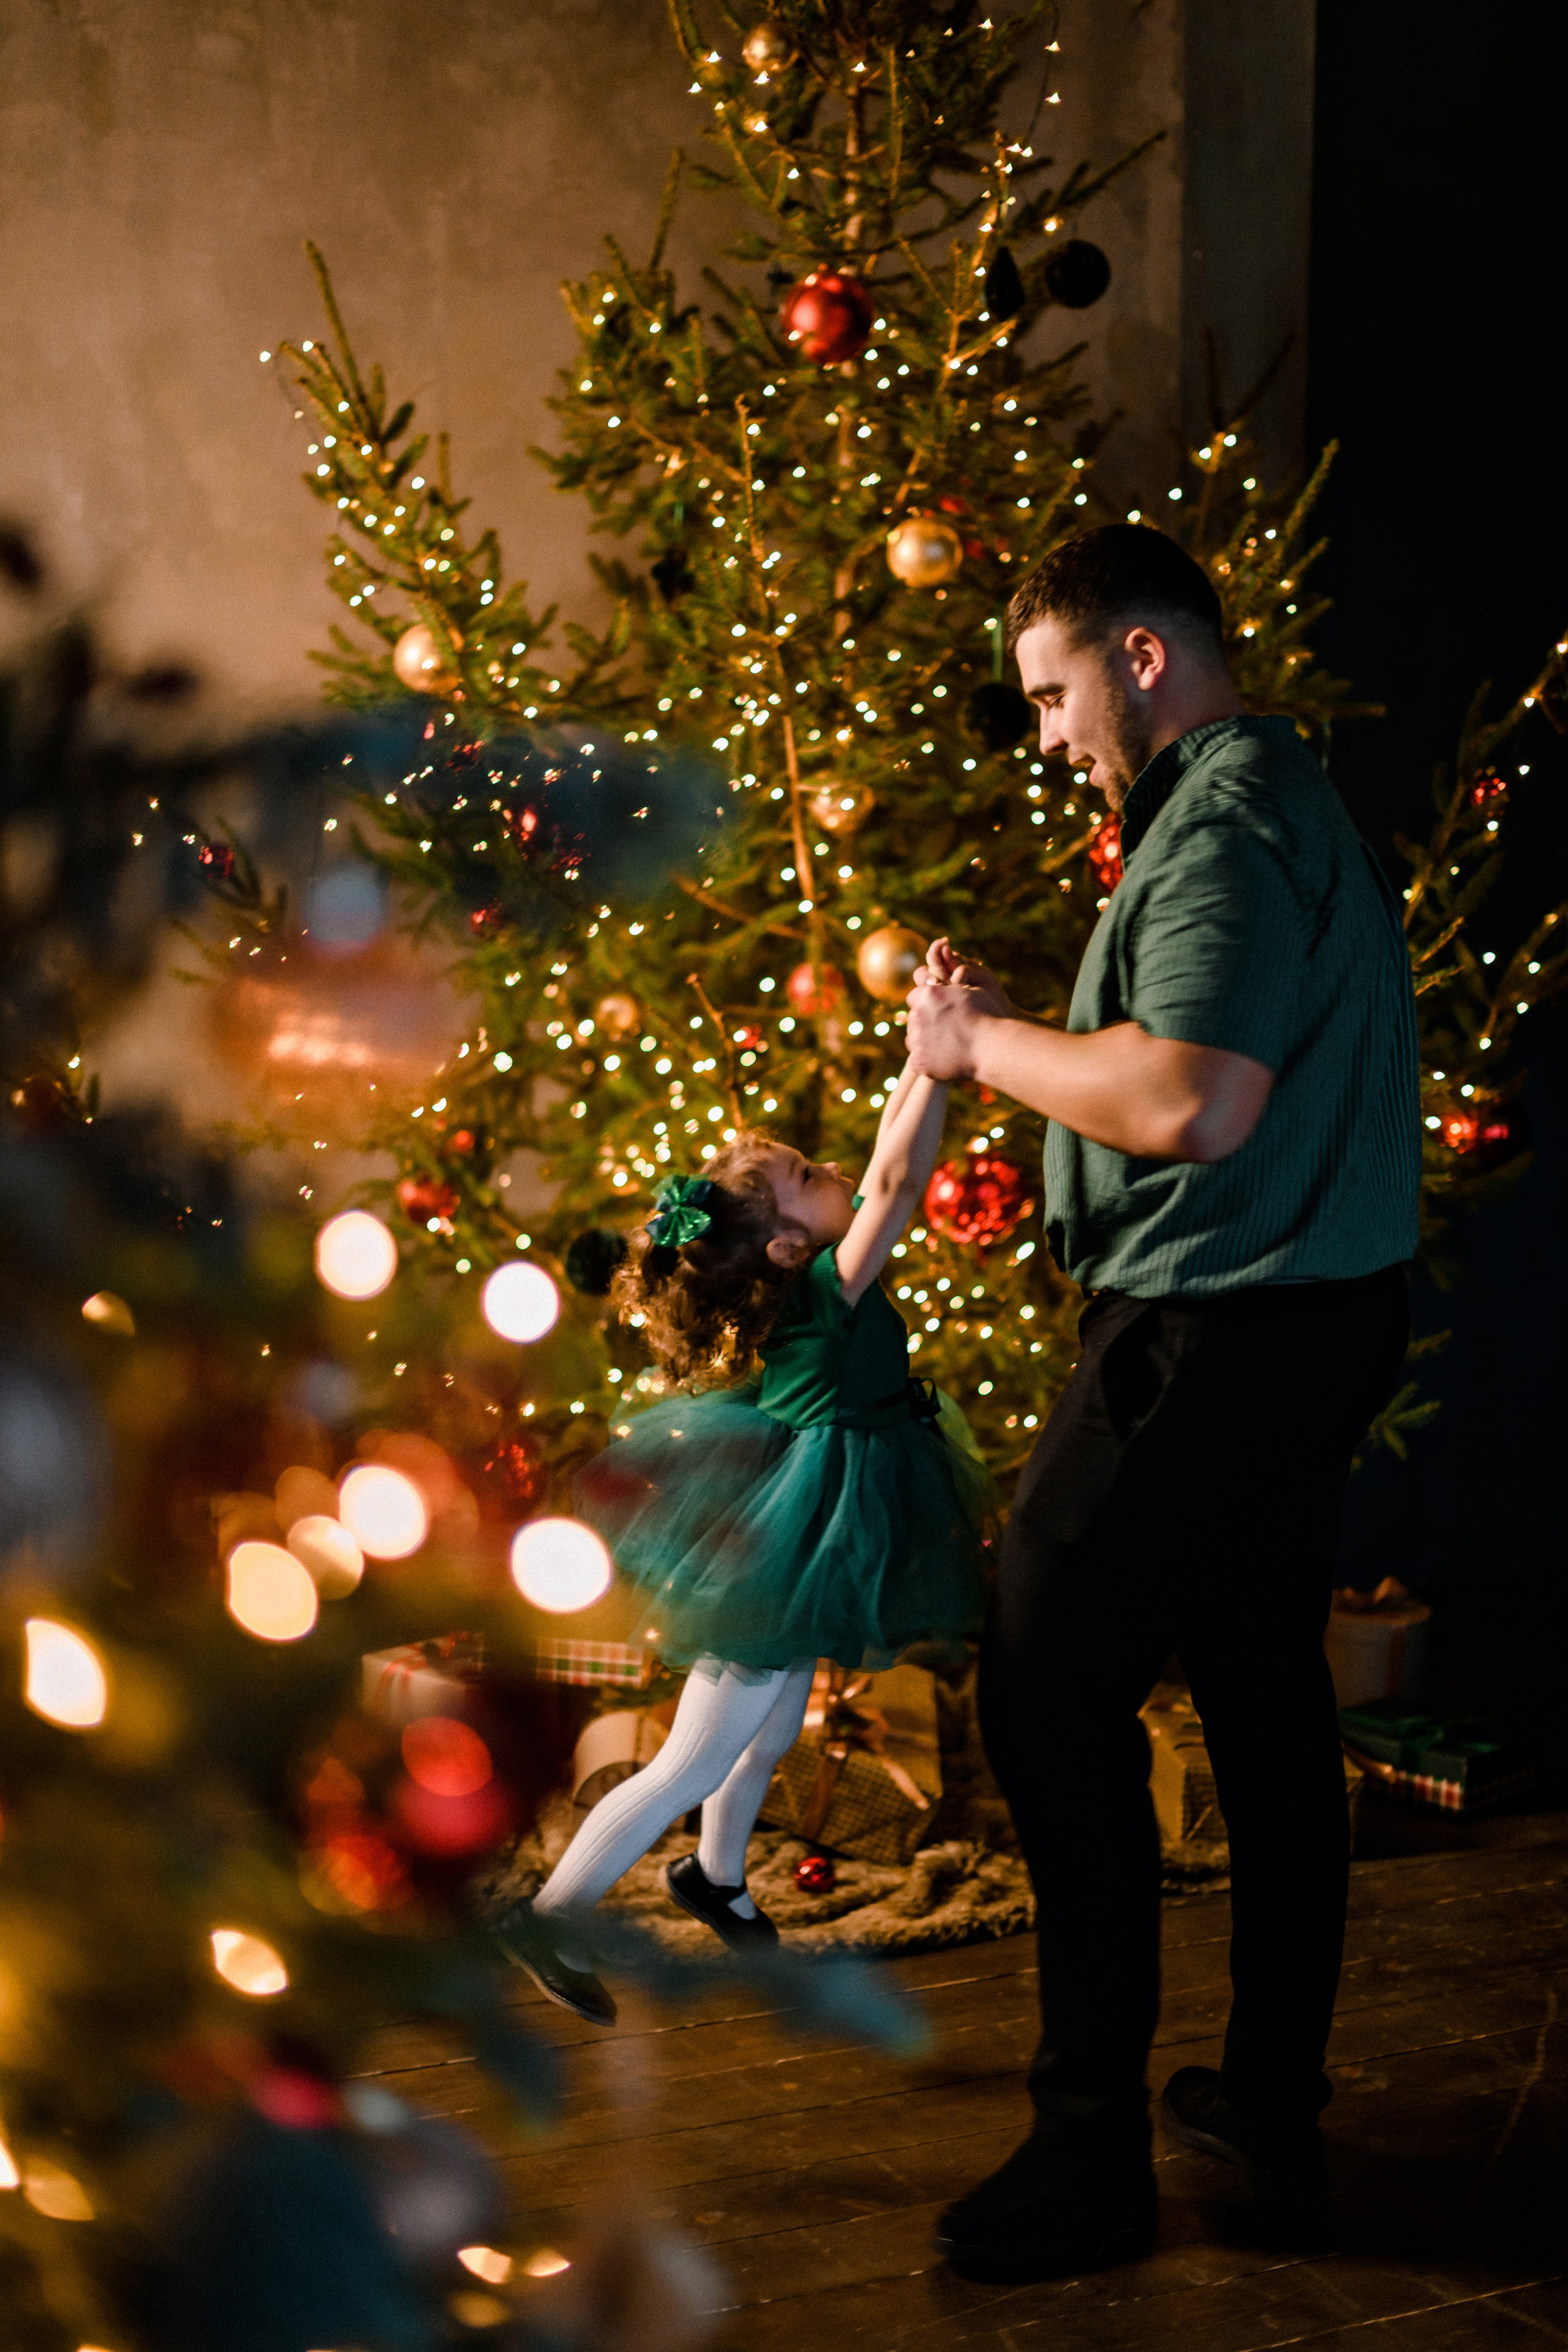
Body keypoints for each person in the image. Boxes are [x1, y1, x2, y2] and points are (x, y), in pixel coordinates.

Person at [905, 524, 1419, 2282]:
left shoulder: (1222, 828)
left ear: (1141, 658)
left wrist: (979, 1051)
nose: (1045, 735)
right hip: (1312, 1322)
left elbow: (1193, 1099)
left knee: (1044, 1685)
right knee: (1267, 1697)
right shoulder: (1276, 799)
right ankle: (1265, 2109)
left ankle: (1085, 2158)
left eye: (1055, 692)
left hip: (1213, 1340)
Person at [493, 1068, 995, 2024]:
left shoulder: (812, 1274)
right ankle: (552, 1916)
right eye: (807, 1173)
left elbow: (878, 1167)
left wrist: (921, 1056)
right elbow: (894, 1182)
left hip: (815, 1514)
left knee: (771, 1725)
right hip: (787, 1528)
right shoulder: (829, 1283)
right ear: (785, 1241)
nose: (832, 1166)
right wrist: (931, 1067)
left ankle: (717, 1876)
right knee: (693, 1755)